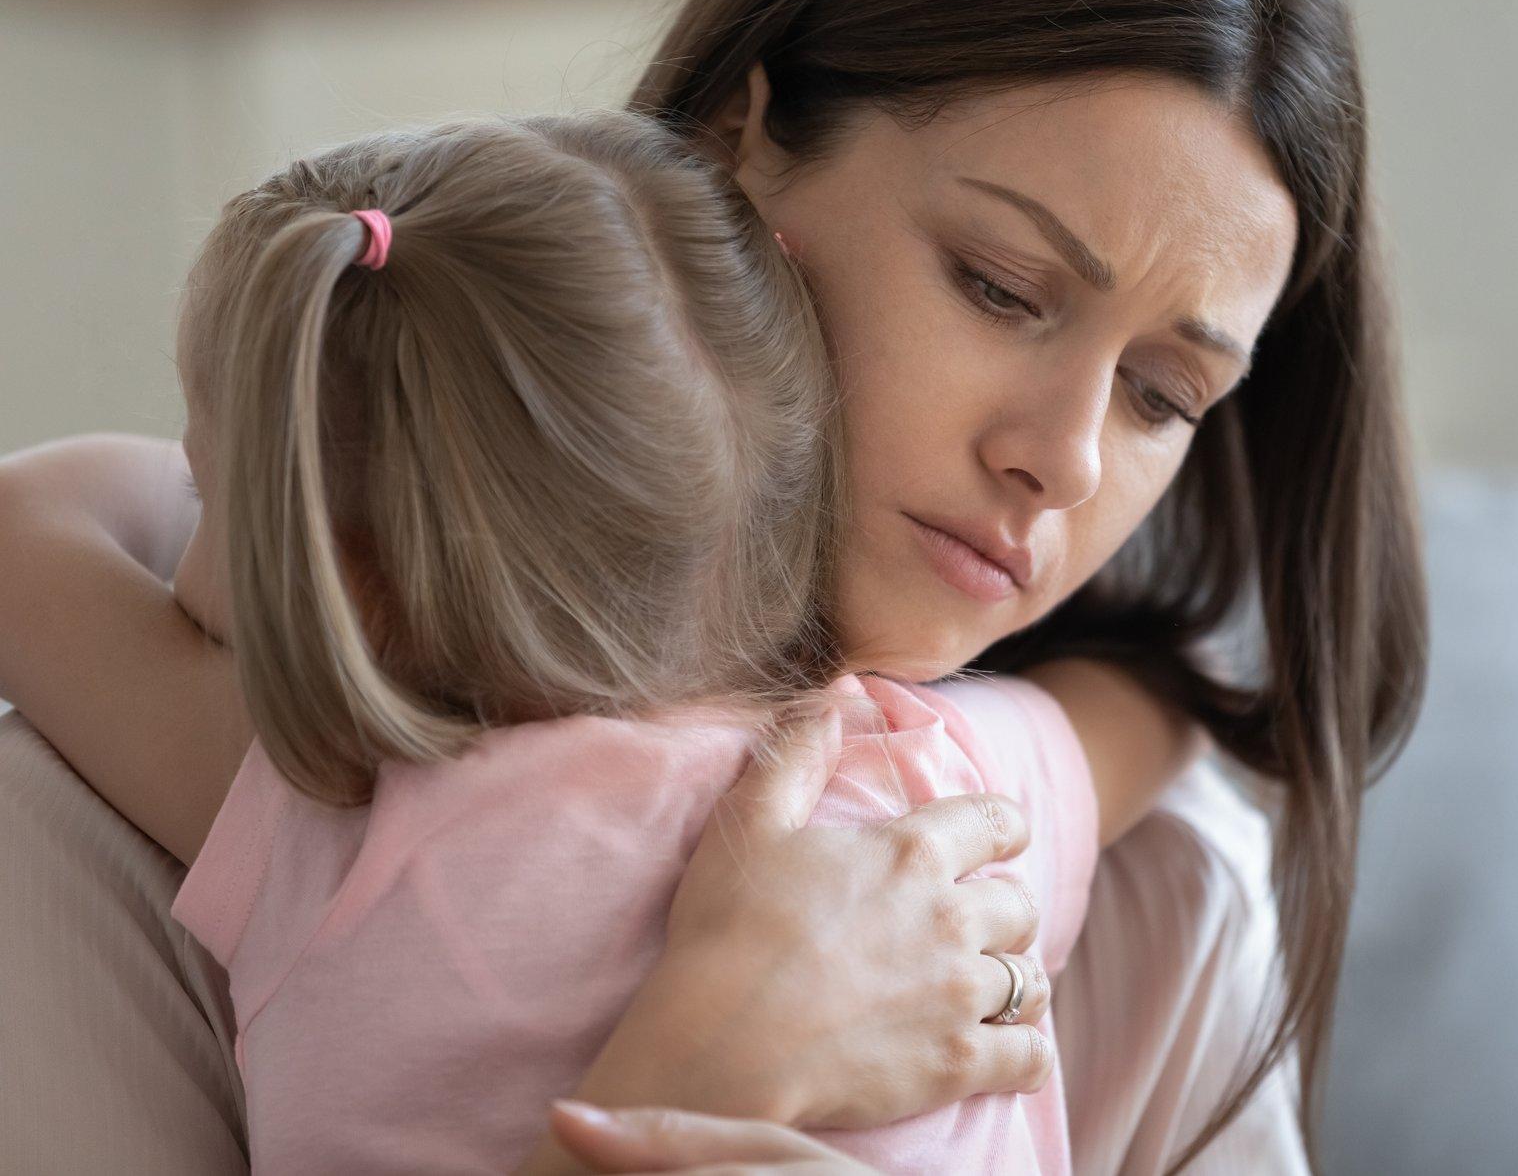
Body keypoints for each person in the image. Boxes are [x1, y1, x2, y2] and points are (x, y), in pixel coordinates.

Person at [0, 0, 1428, 1171]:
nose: (1058, 457)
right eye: (998, 286)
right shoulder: (925, 792)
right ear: (739, 137)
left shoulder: (1170, 885)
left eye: (1163, 397)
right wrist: (691, 1072)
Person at [0, 107, 1196, 1174]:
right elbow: (1152, 716)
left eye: (215, 505)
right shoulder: (917, 783)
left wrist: (288, 475)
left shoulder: (336, 824)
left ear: (345, 587)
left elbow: (22, 525)